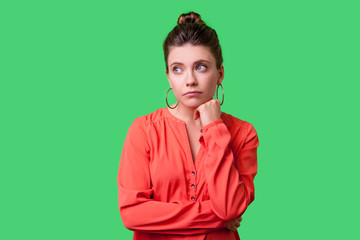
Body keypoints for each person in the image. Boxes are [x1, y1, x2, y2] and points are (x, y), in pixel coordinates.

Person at [117, 11, 260, 240]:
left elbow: (231, 208)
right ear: (168, 76)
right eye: (178, 69)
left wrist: (214, 127)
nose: (190, 79)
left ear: (220, 73)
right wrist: (217, 218)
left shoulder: (243, 134)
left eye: (201, 67)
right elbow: (132, 214)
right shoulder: (144, 129)